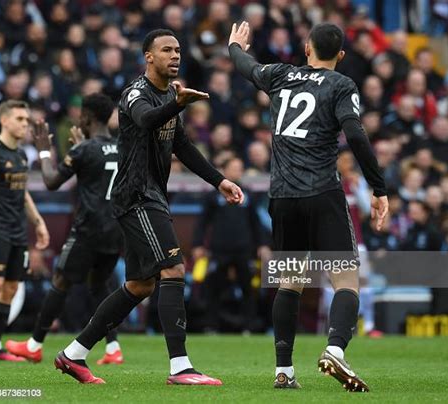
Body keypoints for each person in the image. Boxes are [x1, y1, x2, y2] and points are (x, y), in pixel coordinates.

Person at [55, 29, 244, 385]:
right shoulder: (135, 94)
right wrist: (177, 104)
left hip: (151, 195)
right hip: (136, 195)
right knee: (173, 270)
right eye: (166, 50)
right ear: (148, 57)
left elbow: (182, 146)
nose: (175, 55)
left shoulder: (168, 96)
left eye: (178, 49)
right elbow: (145, 120)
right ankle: (180, 367)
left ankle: (74, 354)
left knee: (141, 286)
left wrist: (219, 180)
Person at [228, 22, 388, 392]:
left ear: (305, 48)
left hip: (282, 197)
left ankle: (283, 371)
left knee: (290, 282)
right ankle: (335, 348)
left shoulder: (281, 75)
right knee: (346, 279)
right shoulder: (341, 85)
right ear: (341, 55)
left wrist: (235, 46)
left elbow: (245, 66)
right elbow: (356, 136)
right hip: (322, 194)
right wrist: (379, 187)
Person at [6, 94, 124, 365]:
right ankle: (113, 348)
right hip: (115, 229)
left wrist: (44, 149)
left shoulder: (83, 150)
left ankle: (34, 345)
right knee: (101, 285)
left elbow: (50, 181)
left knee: (60, 281)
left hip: (88, 229)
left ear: (87, 117)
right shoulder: (120, 147)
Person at [0, 100, 50, 361]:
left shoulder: (21, 155)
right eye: (20, 119)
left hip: (17, 231)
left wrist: (38, 222)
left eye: (27, 119)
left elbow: (23, 193)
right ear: (4, 120)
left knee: (11, 287)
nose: (26, 124)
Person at [192, 156, 270, 332]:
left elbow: (256, 223)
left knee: (248, 289)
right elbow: (202, 222)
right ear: (225, 171)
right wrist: (198, 244)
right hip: (219, 249)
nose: (237, 171)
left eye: (240, 168)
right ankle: (211, 325)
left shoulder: (248, 195)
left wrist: (262, 244)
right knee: (213, 287)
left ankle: (249, 327)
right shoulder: (213, 196)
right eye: (234, 167)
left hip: (244, 249)